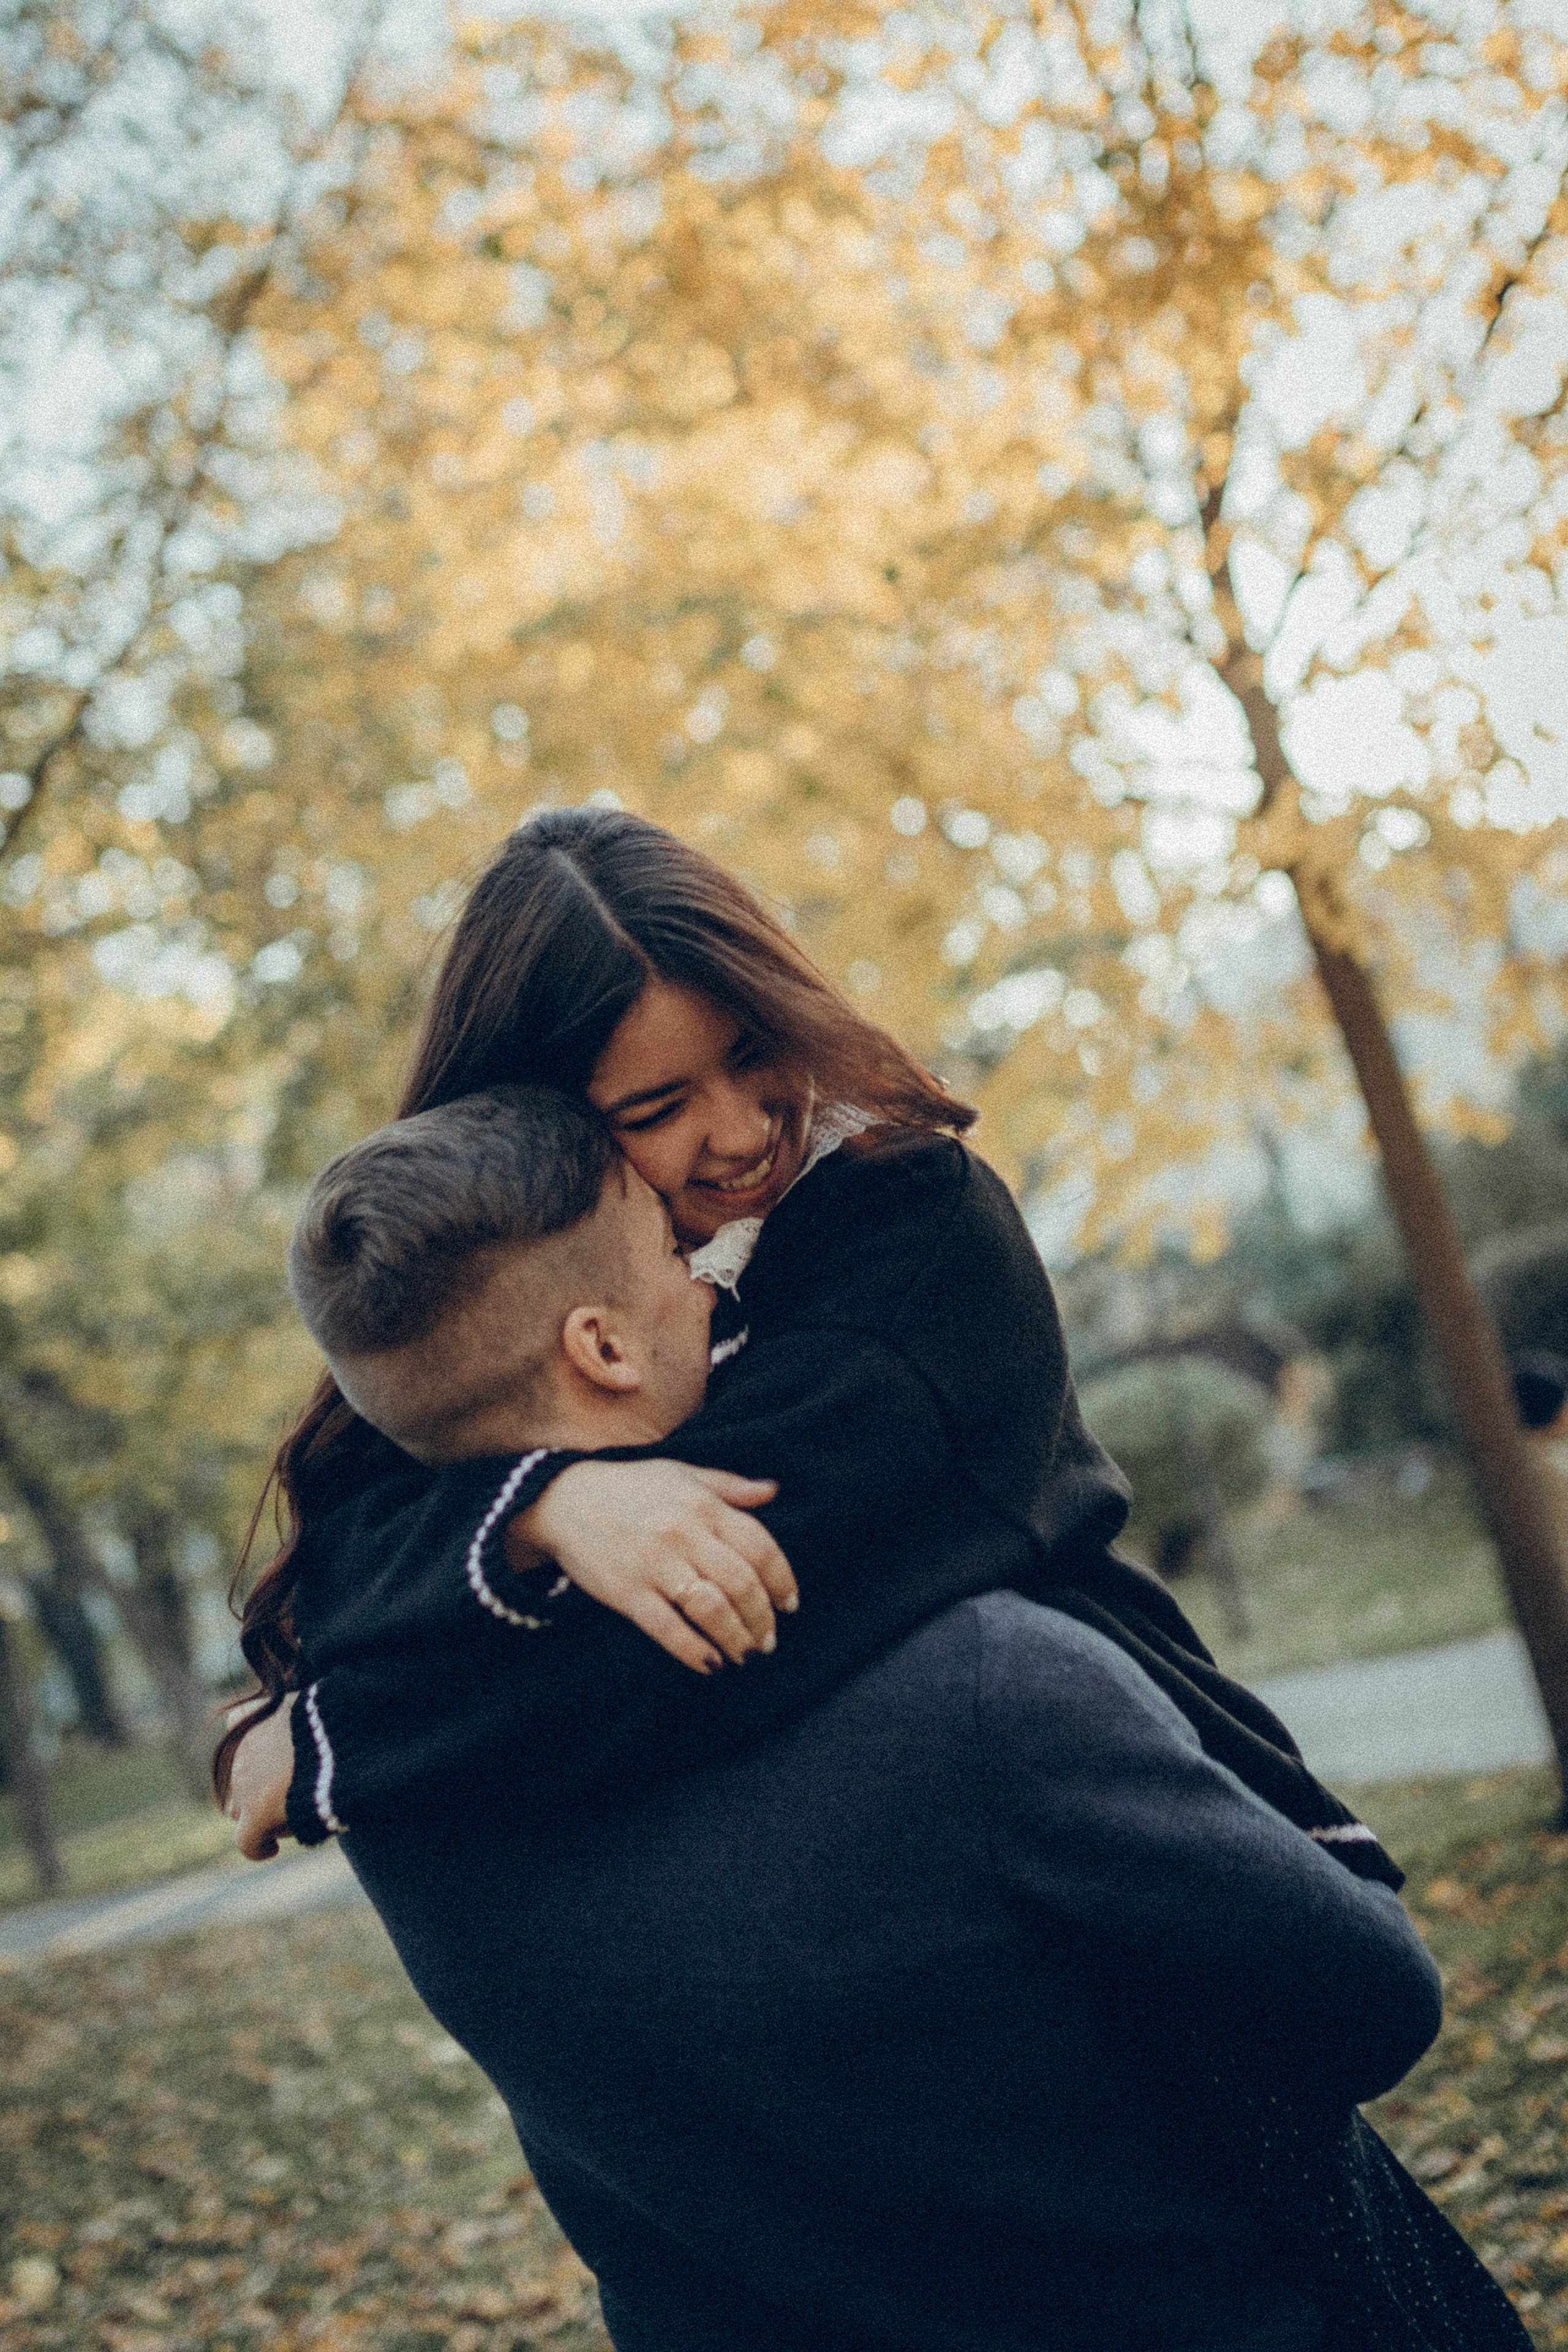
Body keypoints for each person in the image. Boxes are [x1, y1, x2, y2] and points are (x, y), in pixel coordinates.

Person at [220, 809, 1527, 2351]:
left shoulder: (913, 1236)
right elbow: (356, 1549)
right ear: (543, 1121)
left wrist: (341, 1734)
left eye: (752, 1049)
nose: (738, 1129)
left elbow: (724, 1617)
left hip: (1152, 1890)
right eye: (654, 1103)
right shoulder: (519, 1314)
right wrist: (543, 1510)